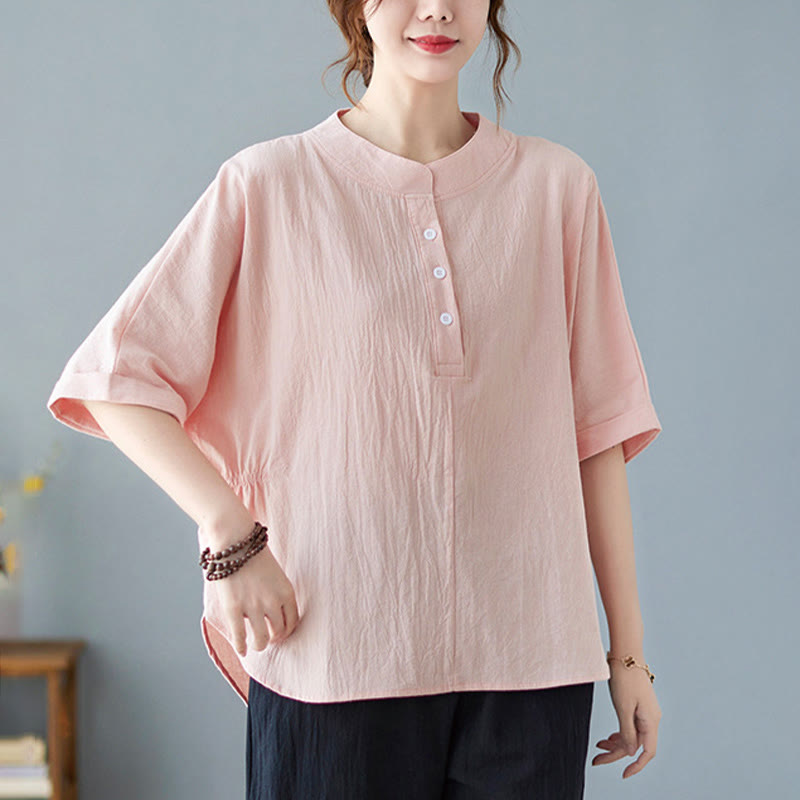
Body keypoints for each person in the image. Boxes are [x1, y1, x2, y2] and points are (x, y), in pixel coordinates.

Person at [46, 0, 664, 796]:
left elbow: (597, 435)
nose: (436, 8)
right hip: (334, 654)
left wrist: (627, 654)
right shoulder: (270, 183)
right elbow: (119, 383)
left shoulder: (559, 188)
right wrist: (231, 536)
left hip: (533, 663)